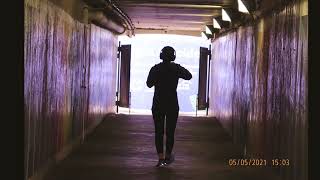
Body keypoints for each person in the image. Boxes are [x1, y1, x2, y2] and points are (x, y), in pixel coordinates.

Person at [146, 46, 192, 167]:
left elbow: (149, 84)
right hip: (172, 103)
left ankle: (160, 158)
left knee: (158, 131)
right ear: (173, 56)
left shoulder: (155, 68)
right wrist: (177, 68)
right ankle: (168, 157)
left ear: (161, 56)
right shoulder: (176, 68)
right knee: (170, 132)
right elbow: (189, 76)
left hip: (158, 103)